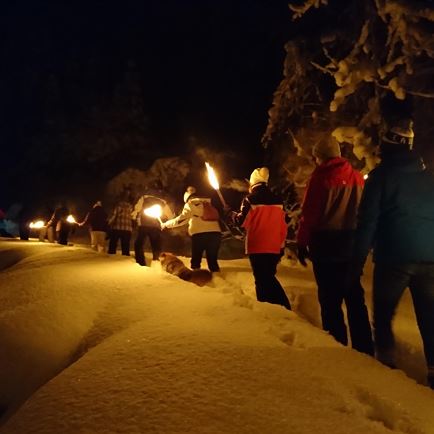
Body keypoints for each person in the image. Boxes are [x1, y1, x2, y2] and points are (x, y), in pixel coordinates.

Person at [351, 120, 434, 387]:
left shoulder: (380, 177)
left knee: (384, 314)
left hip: (394, 258)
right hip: (429, 258)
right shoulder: (428, 178)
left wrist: (356, 260)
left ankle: (386, 369)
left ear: (387, 143)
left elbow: (367, 223)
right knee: (430, 317)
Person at [296, 136, 373, 355]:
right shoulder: (357, 177)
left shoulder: (320, 179)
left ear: (320, 156)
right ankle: (365, 349)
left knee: (330, 301)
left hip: (326, 246)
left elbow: (309, 215)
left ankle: (338, 349)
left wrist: (302, 243)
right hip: (352, 245)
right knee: (355, 299)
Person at [232, 167, 291, 310]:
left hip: (258, 246)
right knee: (268, 276)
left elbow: (242, 221)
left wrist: (232, 215)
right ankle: (277, 306)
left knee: (262, 279)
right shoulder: (278, 200)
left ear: (253, 183)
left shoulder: (250, 199)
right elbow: (284, 224)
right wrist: (281, 246)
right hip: (275, 246)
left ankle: (272, 307)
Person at [161, 186, 221, 272]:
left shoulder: (191, 204)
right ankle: (217, 277)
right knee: (212, 259)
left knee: (196, 259)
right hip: (215, 233)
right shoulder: (208, 203)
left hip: (200, 234)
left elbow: (181, 220)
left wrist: (166, 224)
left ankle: (196, 279)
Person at [132, 191, 174, 266]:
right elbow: (170, 215)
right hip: (156, 227)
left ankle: (140, 262)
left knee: (139, 244)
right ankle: (156, 262)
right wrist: (170, 223)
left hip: (144, 225)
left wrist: (134, 216)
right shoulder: (162, 202)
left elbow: (137, 209)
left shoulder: (144, 198)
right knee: (156, 245)